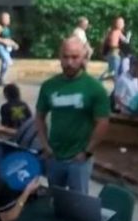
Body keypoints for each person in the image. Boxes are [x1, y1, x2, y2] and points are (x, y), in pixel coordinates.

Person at [33, 36, 113, 209]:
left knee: (79, 206)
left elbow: (103, 123)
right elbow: (39, 116)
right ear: (60, 57)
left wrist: (87, 152)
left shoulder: (95, 88)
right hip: (55, 156)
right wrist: (45, 146)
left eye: (75, 57)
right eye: (66, 56)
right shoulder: (49, 86)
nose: (69, 62)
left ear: (84, 58)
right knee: (55, 203)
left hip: (79, 159)